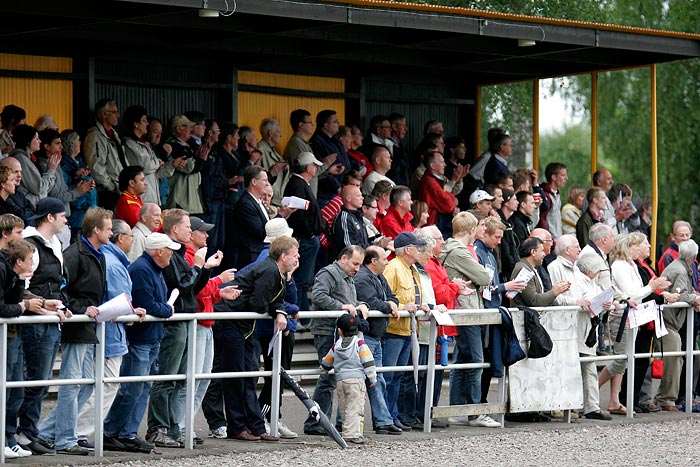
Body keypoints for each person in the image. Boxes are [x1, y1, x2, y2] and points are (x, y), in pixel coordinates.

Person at [37, 207, 112, 456]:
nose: (112, 232)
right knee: (72, 384)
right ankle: (64, 438)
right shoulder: (74, 254)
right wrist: (82, 308)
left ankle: (47, 433)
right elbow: (64, 290)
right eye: (109, 228)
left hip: (87, 324)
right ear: (96, 230)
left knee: (87, 385)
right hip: (75, 324)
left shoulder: (97, 254)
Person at [215, 236, 299, 442]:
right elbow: (259, 303)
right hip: (232, 322)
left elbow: (272, 301)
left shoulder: (276, 272)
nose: (298, 259)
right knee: (236, 376)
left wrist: (280, 310)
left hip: (243, 326)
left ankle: (255, 425)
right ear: (283, 256)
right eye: (295, 255)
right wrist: (281, 310)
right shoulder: (270, 271)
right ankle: (237, 426)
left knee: (248, 375)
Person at [103, 233, 179, 452]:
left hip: (151, 336)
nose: (172, 254)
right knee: (133, 388)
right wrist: (167, 310)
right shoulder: (142, 270)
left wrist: (163, 309)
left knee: (141, 387)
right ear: (158, 251)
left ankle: (127, 432)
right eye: (169, 249)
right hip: (141, 339)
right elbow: (150, 304)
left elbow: (155, 304)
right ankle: (112, 430)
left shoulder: (152, 269)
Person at [75, 219, 146, 448]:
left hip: (109, 332)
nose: (133, 240)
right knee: (105, 385)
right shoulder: (114, 263)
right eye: (130, 236)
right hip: (109, 334)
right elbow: (117, 300)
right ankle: (77, 432)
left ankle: (75, 431)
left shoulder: (111, 259)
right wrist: (130, 311)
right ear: (121, 237)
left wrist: (131, 310)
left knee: (102, 384)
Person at [174, 217, 239, 440]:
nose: (207, 235)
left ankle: (185, 425)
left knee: (202, 379)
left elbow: (201, 290)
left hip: (205, 323)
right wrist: (219, 280)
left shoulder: (195, 257)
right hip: (198, 324)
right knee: (193, 378)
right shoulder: (190, 257)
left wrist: (218, 292)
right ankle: (181, 427)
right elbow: (195, 290)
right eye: (202, 231)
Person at [16, 198, 70, 456]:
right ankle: (22, 433)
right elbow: (24, 288)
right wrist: (41, 304)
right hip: (35, 322)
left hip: (50, 319)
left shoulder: (55, 243)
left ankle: (28, 433)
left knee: (41, 381)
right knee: (35, 380)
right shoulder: (31, 245)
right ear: (49, 217)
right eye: (62, 216)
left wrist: (62, 305)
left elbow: (57, 283)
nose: (66, 220)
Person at [440, 212, 500, 428]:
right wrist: (481, 276)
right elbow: (485, 277)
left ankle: (458, 409)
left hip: (465, 309)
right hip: (466, 311)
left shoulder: (453, 249)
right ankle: (474, 412)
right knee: (475, 360)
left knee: (463, 360)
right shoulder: (460, 252)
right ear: (470, 230)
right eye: (478, 227)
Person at [303, 245, 369, 436]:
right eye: (355, 263)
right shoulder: (329, 273)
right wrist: (342, 306)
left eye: (359, 265)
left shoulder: (347, 277)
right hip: (326, 330)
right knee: (328, 379)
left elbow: (348, 302)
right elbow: (318, 295)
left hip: (336, 332)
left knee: (331, 379)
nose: (357, 268)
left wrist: (360, 305)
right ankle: (316, 423)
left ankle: (320, 422)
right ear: (343, 259)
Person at [602, 233, 670, 416]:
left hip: (632, 316)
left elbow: (635, 293)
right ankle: (592, 391)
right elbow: (633, 292)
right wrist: (651, 286)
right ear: (628, 247)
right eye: (637, 246)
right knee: (621, 360)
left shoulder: (630, 265)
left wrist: (652, 287)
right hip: (621, 316)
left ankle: (614, 399)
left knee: (624, 361)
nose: (640, 249)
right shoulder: (619, 266)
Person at [2, 237, 49, 459]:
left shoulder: (14, 273)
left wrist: (21, 283)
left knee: (17, 390)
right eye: (30, 261)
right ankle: (4, 438)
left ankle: (9, 437)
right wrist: (24, 306)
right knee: (7, 389)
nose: (33, 265)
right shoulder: (3, 270)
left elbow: (15, 299)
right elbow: (4, 307)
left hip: (13, 337)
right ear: (19, 261)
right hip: (6, 336)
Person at [353, 245, 402, 435]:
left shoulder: (378, 276)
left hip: (376, 335)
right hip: (367, 336)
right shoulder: (364, 278)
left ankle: (382, 420)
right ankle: (381, 420)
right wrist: (389, 306)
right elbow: (371, 302)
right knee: (364, 380)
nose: (387, 261)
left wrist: (390, 303)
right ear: (373, 261)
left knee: (375, 380)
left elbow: (392, 297)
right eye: (384, 259)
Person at [382, 232, 428, 431]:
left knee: (398, 377)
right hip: (393, 330)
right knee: (389, 377)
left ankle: (392, 416)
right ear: (408, 250)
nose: (421, 250)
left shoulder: (412, 269)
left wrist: (421, 306)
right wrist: (403, 307)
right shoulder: (393, 268)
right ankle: (385, 417)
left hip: (407, 330)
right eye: (418, 247)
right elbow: (384, 297)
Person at [653, 240, 700, 411]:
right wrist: (694, 299)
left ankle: (666, 398)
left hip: (669, 321)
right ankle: (666, 399)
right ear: (694, 257)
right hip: (668, 321)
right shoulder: (681, 271)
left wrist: (693, 296)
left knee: (677, 358)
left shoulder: (678, 267)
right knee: (674, 359)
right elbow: (679, 295)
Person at [320, 313, 377, 444]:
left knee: (344, 407)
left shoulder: (337, 346)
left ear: (339, 331)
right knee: (355, 407)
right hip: (356, 380)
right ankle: (351, 434)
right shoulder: (360, 343)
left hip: (341, 381)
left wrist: (324, 369)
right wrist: (372, 378)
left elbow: (327, 362)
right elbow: (368, 361)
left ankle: (346, 430)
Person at [284, 152, 324, 312]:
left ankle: (302, 311)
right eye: (314, 165)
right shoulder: (297, 184)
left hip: (307, 238)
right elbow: (298, 215)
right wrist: (309, 234)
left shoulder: (299, 184)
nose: (315, 168)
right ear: (308, 167)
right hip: (305, 239)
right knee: (302, 278)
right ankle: (300, 312)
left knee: (304, 278)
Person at [122, 105, 178, 206]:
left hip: (153, 197)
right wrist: (158, 162)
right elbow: (147, 166)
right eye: (144, 120)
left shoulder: (145, 145)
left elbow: (156, 173)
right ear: (135, 124)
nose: (147, 123)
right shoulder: (130, 144)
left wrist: (172, 165)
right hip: (142, 198)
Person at [84, 98, 124, 210]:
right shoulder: (95, 136)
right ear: (104, 114)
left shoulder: (114, 134)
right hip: (107, 192)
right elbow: (95, 167)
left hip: (118, 189)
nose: (118, 115)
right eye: (114, 112)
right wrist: (111, 187)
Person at [510, 237, 570, 308]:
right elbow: (534, 301)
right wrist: (554, 292)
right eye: (542, 251)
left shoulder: (529, 268)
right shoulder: (523, 269)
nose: (544, 254)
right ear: (533, 252)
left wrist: (554, 291)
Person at [60, 129, 98, 241]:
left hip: (89, 213)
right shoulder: (63, 163)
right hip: (78, 216)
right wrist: (76, 176)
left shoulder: (79, 161)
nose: (80, 143)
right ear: (71, 144)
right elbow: (66, 185)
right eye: (78, 141)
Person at [232, 166, 271, 269]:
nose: (267, 184)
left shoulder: (258, 201)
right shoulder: (245, 204)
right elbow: (261, 232)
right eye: (265, 180)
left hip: (260, 254)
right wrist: (281, 215)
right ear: (254, 182)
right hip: (252, 257)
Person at [538, 162, 567, 239]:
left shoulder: (557, 194)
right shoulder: (546, 196)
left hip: (558, 239)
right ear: (553, 177)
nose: (566, 178)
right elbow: (543, 221)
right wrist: (549, 240)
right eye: (563, 175)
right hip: (551, 241)